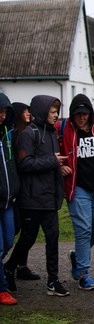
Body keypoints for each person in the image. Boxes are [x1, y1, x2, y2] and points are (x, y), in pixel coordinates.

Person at [5, 95, 69, 297]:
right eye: (52, 112)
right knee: (27, 239)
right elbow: (24, 164)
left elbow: (51, 163)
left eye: (56, 111)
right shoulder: (28, 134)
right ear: (42, 112)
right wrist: (52, 160)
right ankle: (8, 269)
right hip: (31, 199)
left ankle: (53, 280)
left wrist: (59, 167)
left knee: (53, 239)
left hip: (50, 198)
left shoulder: (51, 133)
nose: (56, 115)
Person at [57, 94, 94, 291]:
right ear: (72, 115)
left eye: (85, 113)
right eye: (78, 114)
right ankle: (83, 273)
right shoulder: (62, 128)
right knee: (84, 230)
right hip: (77, 187)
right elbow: (47, 150)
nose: (82, 118)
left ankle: (77, 256)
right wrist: (58, 166)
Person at [10, 102, 41, 281]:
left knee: (26, 231)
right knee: (23, 231)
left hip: (25, 188)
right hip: (19, 189)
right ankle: (12, 266)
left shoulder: (26, 133)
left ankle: (21, 266)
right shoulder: (16, 135)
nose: (29, 113)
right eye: (26, 111)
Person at [0, 93, 19, 305]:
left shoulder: (7, 134)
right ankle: (2, 288)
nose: (2, 116)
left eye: (5, 112)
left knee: (8, 241)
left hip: (8, 200)